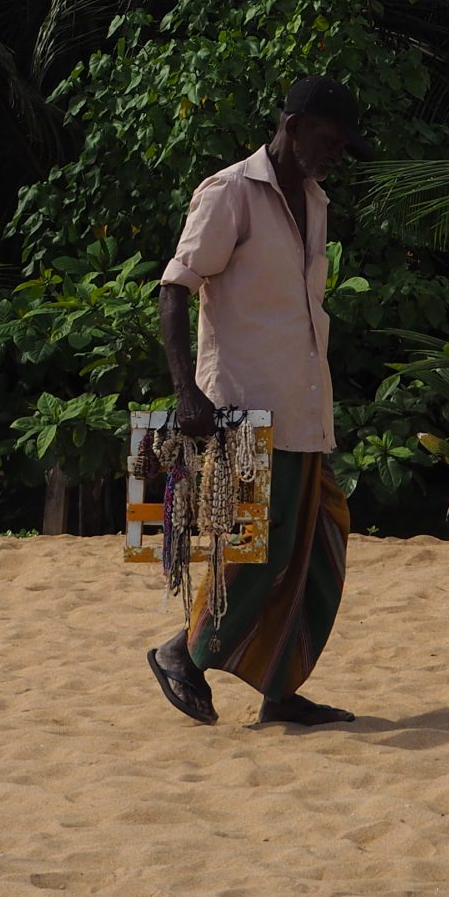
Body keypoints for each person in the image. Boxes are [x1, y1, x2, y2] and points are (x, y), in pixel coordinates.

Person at [145, 74, 369, 727]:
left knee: (319, 545)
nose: (334, 154)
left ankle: (280, 685)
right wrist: (186, 390)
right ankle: (181, 655)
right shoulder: (230, 194)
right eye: (328, 139)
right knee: (254, 550)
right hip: (240, 408)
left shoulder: (317, 202)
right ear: (293, 125)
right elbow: (175, 290)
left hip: (302, 409)